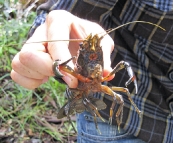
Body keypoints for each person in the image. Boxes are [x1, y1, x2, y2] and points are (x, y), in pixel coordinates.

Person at [11, 0, 173, 143]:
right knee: (112, 100)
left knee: (121, 95)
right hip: (126, 120)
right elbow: (65, 13)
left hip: (142, 98)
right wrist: (47, 41)